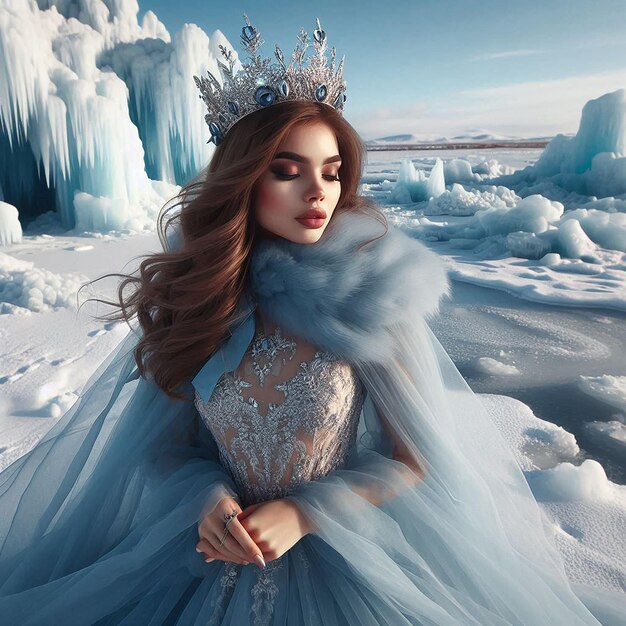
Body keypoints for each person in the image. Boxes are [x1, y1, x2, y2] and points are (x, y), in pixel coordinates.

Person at [0, 14, 624, 626]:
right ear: (243, 179)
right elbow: (163, 449)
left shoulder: (369, 296)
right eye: (287, 170)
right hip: (202, 555)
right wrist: (205, 497)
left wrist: (305, 513)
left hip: (340, 555)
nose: (318, 192)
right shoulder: (204, 297)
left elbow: (411, 460)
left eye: (331, 172)